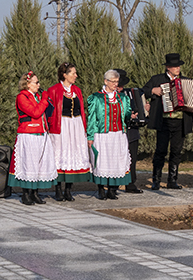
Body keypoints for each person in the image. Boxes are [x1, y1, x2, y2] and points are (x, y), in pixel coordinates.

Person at [143, 53, 193, 190]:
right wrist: (153, 90)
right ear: (167, 67)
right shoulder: (157, 79)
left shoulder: (186, 81)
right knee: (160, 150)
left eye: (178, 66)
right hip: (164, 121)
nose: (177, 68)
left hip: (180, 122)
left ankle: (172, 180)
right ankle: (156, 180)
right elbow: (144, 90)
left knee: (177, 151)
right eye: (174, 66)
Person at [7, 71, 58, 205]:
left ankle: (35, 193)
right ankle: (26, 194)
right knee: (28, 164)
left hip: (41, 133)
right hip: (28, 134)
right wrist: (44, 100)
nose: (39, 84)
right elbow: (35, 112)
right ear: (28, 84)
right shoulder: (22, 97)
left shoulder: (37, 97)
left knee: (39, 164)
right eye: (36, 82)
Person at [46, 62, 92, 201]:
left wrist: (83, 127)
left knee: (73, 155)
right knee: (60, 156)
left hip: (76, 125)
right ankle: (58, 189)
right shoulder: (53, 90)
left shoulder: (77, 90)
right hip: (61, 126)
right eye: (73, 73)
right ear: (64, 75)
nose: (76, 75)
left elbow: (81, 110)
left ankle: (68, 190)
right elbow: (49, 112)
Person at [87, 70, 134, 200]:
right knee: (102, 161)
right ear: (105, 81)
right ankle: (101, 189)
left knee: (116, 160)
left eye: (116, 82)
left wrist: (132, 114)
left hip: (118, 134)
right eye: (112, 81)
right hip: (102, 134)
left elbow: (127, 114)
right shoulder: (96, 98)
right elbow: (92, 118)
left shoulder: (123, 98)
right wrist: (90, 136)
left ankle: (113, 189)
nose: (115, 84)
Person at [116, 69, 144, 193]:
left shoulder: (131, 93)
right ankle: (114, 184)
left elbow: (139, 109)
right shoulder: (106, 95)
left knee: (132, 157)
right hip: (116, 131)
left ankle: (130, 183)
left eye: (121, 84)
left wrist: (144, 109)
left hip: (131, 131)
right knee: (116, 158)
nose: (119, 87)